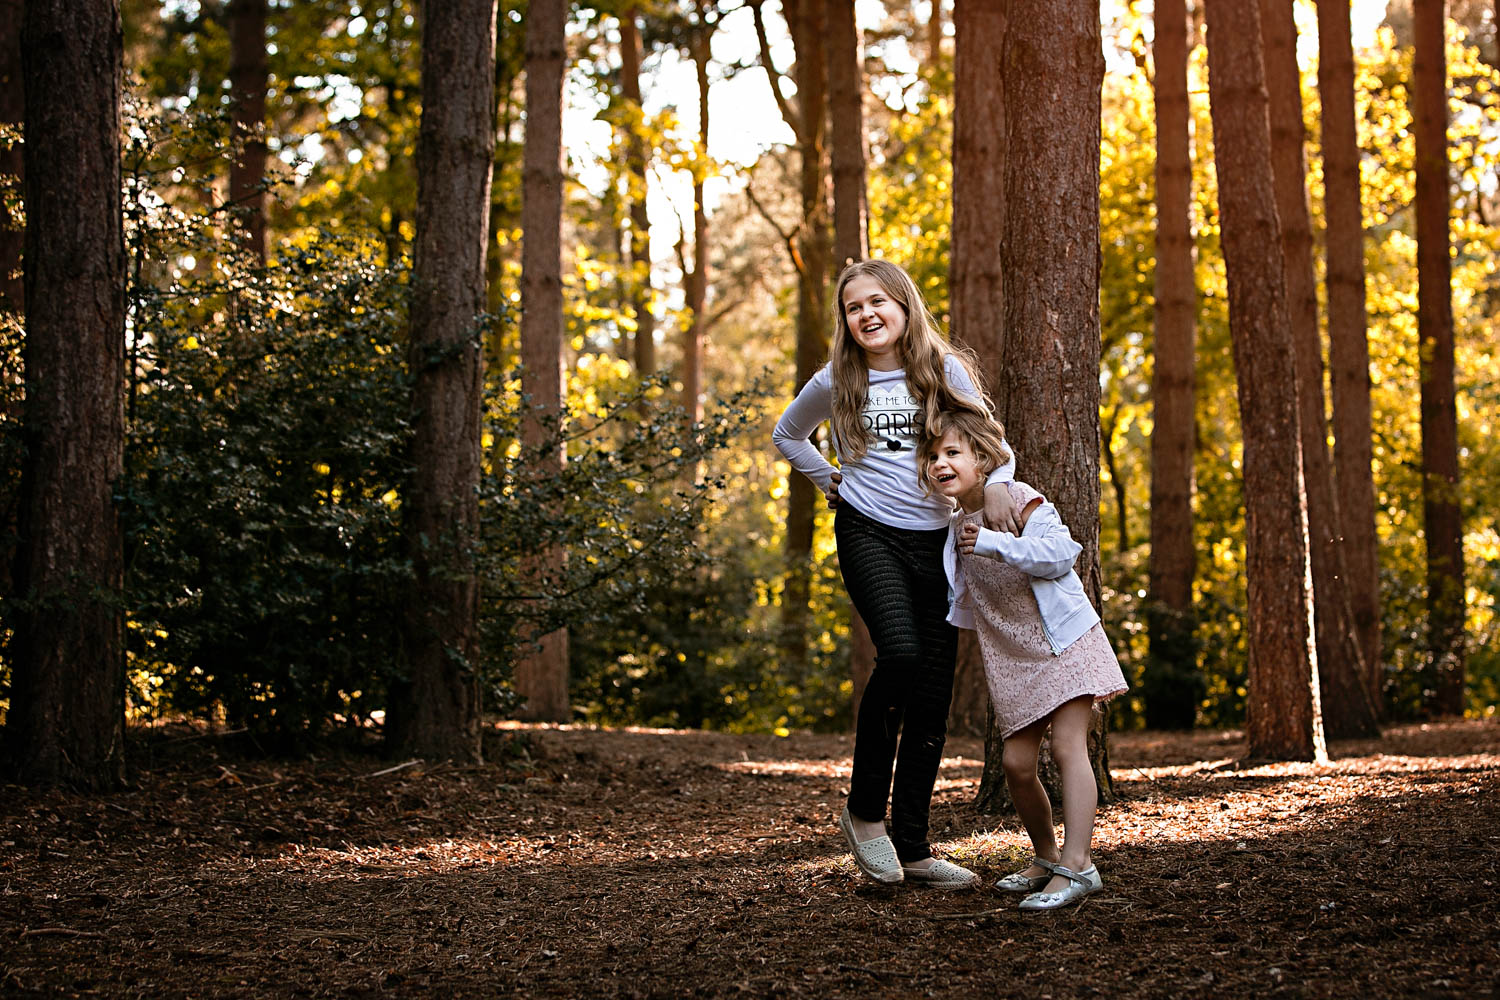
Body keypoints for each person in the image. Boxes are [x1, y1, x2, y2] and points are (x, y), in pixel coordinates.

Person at [773, 259, 1019, 889]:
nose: (867, 315)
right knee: (902, 657)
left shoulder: (940, 370)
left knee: (933, 697)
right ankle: (864, 816)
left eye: (879, 302)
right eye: (854, 307)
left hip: (934, 542)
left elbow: (991, 442)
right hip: (867, 531)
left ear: (905, 308)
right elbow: (788, 434)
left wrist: (992, 491)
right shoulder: (836, 380)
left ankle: (913, 845)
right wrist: (829, 478)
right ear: (845, 320)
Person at [919, 408, 1128, 911]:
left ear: (982, 459)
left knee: (1068, 748)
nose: (940, 463)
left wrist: (995, 543)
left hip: (1064, 643)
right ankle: (1047, 857)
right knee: (1015, 764)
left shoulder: (1017, 498)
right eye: (931, 457)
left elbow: (1062, 553)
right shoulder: (948, 525)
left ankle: (1080, 866)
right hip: (1014, 658)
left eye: (952, 453)